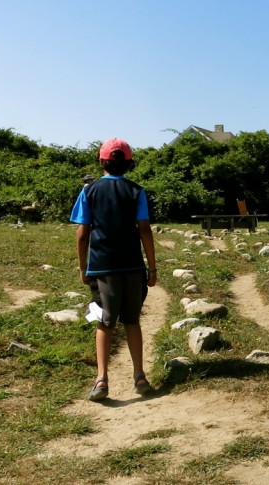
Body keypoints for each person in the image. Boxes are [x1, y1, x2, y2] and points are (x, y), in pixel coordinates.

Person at [70, 138, 158, 402]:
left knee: (105, 321)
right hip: (133, 266)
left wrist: (83, 267)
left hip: (102, 268)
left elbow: (82, 233)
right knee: (132, 320)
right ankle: (139, 376)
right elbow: (144, 229)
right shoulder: (136, 191)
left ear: (101, 161)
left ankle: (101, 380)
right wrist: (152, 268)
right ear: (129, 164)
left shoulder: (88, 191)